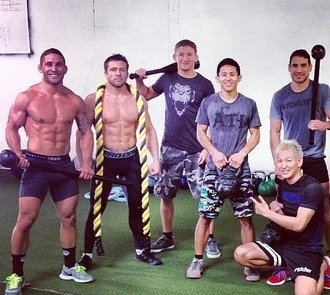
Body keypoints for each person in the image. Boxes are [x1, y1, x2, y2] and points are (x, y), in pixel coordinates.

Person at [4, 48, 95, 295]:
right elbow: (11, 127)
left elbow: (85, 132)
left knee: (69, 218)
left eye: (58, 64)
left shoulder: (74, 100)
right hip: (36, 166)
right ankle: (17, 274)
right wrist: (18, 154)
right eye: (49, 64)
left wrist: (86, 163)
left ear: (65, 68)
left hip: (63, 166)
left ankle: (69, 267)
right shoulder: (27, 97)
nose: (54, 68)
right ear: (41, 68)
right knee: (26, 220)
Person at [134, 39, 221, 258]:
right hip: (171, 147)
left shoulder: (205, 84)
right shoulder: (167, 78)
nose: (185, 58)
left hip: (197, 150)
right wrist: (139, 79)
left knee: (206, 196)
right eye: (181, 54)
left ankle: (210, 238)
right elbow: (146, 94)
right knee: (166, 194)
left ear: (196, 57)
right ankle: (167, 236)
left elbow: (212, 118)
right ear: (174, 57)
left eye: (189, 54)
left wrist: (208, 148)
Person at [78, 54, 162, 270]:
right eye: (113, 70)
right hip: (105, 158)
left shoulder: (137, 98)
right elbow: (83, 132)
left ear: (127, 72)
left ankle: (142, 250)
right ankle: (87, 254)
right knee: (96, 208)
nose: (118, 73)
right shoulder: (93, 99)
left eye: (122, 69)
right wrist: (84, 162)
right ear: (105, 73)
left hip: (131, 158)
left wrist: (156, 159)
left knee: (137, 206)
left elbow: (149, 130)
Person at [186, 58, 261, 279]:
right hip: (214, 169)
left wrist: (242, 153)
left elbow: (256, 134)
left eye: (232, 74)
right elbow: (200, 132)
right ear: (217, 78)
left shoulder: (248, 104)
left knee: (245, 217)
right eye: (224, 74)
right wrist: (213, 152)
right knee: (205, 216)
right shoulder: (208, 102)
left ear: (239, 77)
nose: (228, 78)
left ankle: (250, 263)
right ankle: (197, 260)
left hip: (240, 171)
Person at [234, 140, 330, 295]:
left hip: (306, 250)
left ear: (299, 161)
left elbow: (299, 225)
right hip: (284, 245)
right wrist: (274, 205)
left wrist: (267, 213)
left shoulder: (312, 188)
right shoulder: (283, 184)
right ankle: (289, 268)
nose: (283, 165)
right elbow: (281, 210)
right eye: (279, 161)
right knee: (241, 254)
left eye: (288, 160)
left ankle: (322, 266)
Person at [270, 49, 330, 265]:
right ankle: (287, 248)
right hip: (291, 161)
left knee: (324, 206)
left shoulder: (322, 90)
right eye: (295, 65)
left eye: (303, 65)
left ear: (310, 67)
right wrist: (278, 162)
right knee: (285, 205)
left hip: (314, 157)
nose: (299, 70)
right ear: (289, 68)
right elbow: (274, 131)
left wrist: (324, 125)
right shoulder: (280, 96)